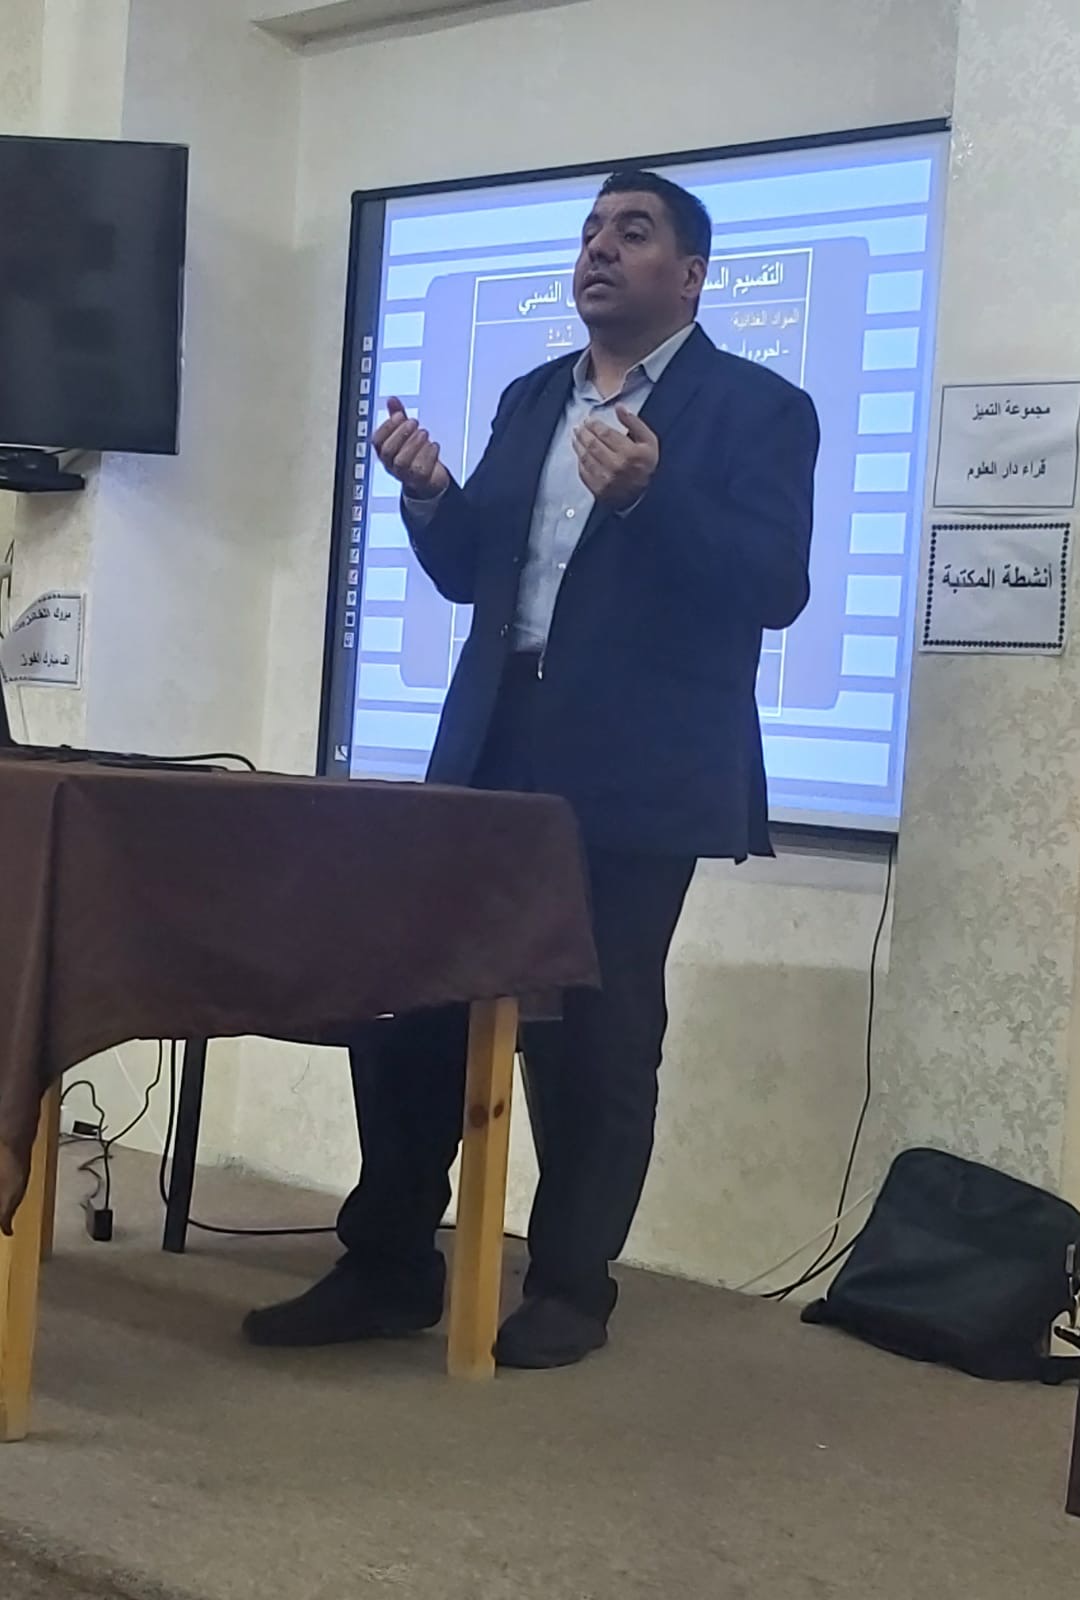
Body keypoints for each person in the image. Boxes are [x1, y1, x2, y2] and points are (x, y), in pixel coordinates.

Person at [245, 170, 819, 1368]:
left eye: (633, 232)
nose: (599, 248)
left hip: (641, 766)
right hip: (492, 746)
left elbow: (774, 588)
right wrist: (430, 492)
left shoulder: (758, 408)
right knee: (409, 996)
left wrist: (653, 496)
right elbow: (474, 572)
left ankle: (569, 1286)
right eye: (591, 231)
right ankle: (389, 1263)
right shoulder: (530, 397)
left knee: (595, 1034)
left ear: (691, 276)